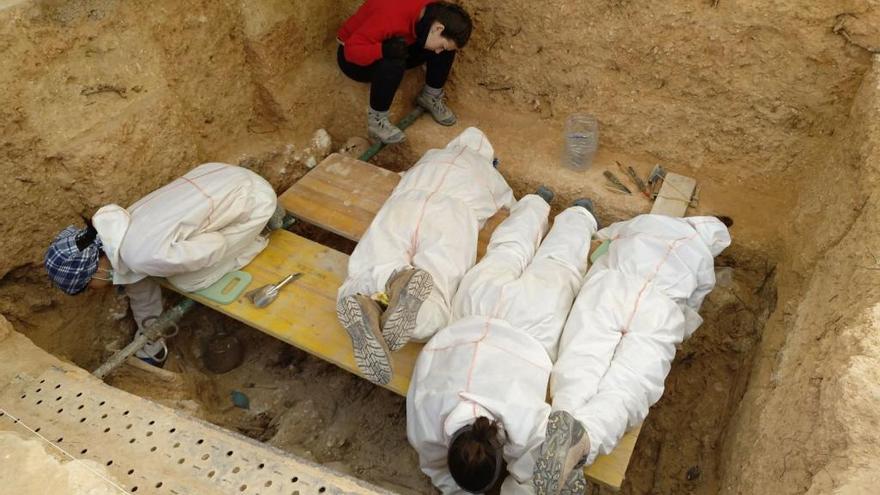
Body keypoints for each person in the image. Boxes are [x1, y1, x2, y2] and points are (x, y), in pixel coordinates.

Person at [407, 190, 600, 494]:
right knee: (506, 251)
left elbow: (538, 468)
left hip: (532, 324)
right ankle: (537, 201)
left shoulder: (524, 426)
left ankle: (580, 215)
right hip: (474, 308)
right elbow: (434, 464)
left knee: (559, 265)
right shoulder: (426, 425)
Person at [532, 215, 731, 494]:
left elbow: (603, 238)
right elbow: (692, 309)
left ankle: (564, 421)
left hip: (613, 287)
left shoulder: (645, 221)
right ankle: (586, 440)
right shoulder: (703, 261)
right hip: (659, 309)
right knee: (630, 386)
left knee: (581, 359)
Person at [44, 163, 281, 366]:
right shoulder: (118, 232)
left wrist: (207, 251)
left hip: (254, 200)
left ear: (93, 269)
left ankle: (261, 232)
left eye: (86, 287)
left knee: (187, 280)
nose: (91, 291)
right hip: (223, 175)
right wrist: (151, 345)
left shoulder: (142, 255)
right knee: (170, 264)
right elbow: (141, 291)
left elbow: (215, 245)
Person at [336, 127, 514, 386]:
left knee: (366, 268)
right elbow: (515, 208)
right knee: (437, 296)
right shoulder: (491, 176)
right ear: (490, 159)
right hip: (452, 215)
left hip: (404, 203)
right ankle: (411, 310)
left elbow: (400, 176)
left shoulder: (430, 156)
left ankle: (376, 291)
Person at [337, 0, 473, 144]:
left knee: (446, 49)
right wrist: (383, 51)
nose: (438, 51)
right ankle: (377, 123)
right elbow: (351, 52)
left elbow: (437, 41)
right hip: (353, 59)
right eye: (440, 45)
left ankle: (430, 97)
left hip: (393, 41)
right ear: (438, 28)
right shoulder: (389, 16)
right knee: (394, 61)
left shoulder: (433, 15)